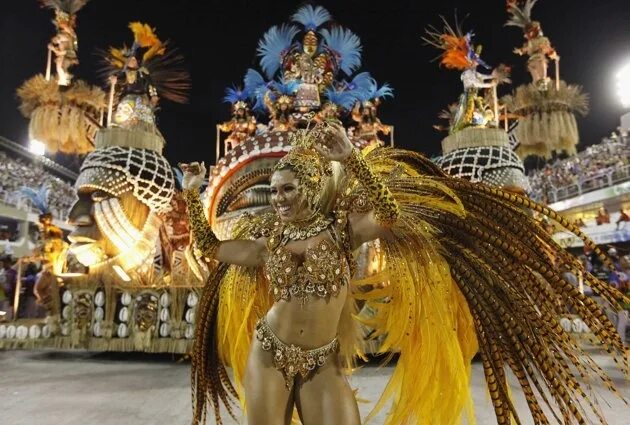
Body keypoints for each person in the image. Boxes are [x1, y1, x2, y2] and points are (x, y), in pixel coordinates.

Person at [182, 121, 626, 425]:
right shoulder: (268, 239)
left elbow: (390, 215)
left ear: (312, 188)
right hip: (270, 353)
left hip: (322, 361)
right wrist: (191, 196)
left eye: (287, 189)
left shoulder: (342, 230)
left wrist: (351, 159)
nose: (277, 198)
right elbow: (211, 247)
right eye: (273, 191)